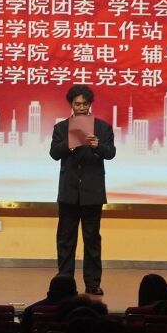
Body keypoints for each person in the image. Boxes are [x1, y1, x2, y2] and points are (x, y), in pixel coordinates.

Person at [49, 83, 115, 296]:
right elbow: (54, 153)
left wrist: (97, 146)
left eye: (85, 104)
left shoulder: (103, 127)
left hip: (92, 193)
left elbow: (111, 153)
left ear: (90, 105)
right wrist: (71, 143)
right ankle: (65, 280)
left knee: (92, 239)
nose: (81, 108)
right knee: (65, 240)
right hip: (68, 192)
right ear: (71, 104)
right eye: (77, 104)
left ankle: (93, 283)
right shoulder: (61, 128)